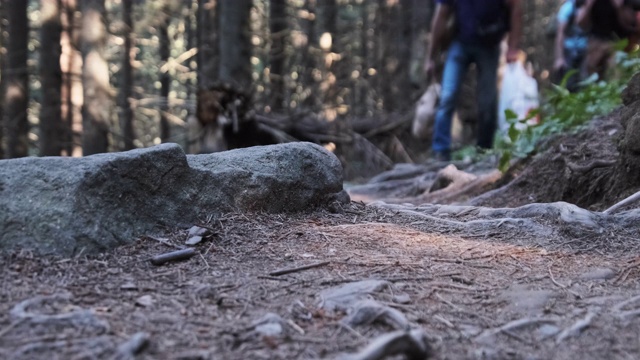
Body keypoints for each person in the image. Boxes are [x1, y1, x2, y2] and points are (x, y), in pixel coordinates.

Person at [424, 0, 523, 162]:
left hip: (489, 46)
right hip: (460, 43)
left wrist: (513, 47)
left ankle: (484, 151)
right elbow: (441, 17)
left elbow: (516, 10)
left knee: (488, 102)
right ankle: (440, 151)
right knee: (447, 96)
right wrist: (430, 58)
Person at [576, 0, 640, 79]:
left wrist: (619, 7)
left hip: (618, 44)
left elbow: (629, 24)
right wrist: (589, 5)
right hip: (596, 43)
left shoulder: (626, 2)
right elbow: (580, 23)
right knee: (592, 75)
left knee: (615, 75)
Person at [553, 0, 588, 92]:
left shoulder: (588, 5)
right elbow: (560, 33)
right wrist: (559, 58)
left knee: (585, 82)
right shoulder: (568, 7)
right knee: (569, 84)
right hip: (569, 52)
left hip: (585, 52)